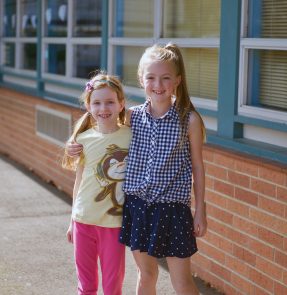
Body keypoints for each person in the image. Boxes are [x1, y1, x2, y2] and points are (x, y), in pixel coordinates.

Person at [67, 43, 207, 295]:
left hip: (173, 209)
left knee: (182, 282)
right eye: (151, 77)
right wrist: (74, 142)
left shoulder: (190, 119)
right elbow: (101, 119)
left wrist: (200, 210)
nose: (158, 84)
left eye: (165, 78)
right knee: (146, 275)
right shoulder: (133, 116)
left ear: (177, 80)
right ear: (141, 80)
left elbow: (198, 166)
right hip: (138, 207)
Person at [62, 73, 132, 295]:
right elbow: (79, 181)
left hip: (114, 224)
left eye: (110, 101)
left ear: (121, 104)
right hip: (84, 220)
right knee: (86, 285)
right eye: (97, 102)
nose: (104, 108)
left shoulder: (131, 136)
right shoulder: (83, 140)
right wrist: (72, 219)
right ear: (88, 106)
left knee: (113, 286)